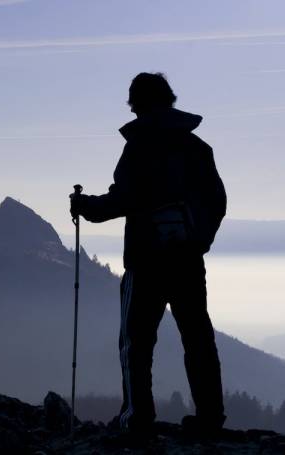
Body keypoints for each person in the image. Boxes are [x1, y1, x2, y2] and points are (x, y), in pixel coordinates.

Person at [70, 72, 227, 436]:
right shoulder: (197, 148)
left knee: (135, 342)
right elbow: (216, 201)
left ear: (137, 104)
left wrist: (84, 205)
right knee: (198, 338)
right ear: (169, 100)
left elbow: (123, 199)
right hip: (188, 261)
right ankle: (210, 418)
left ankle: (138, 418)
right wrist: (197, 239)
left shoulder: (139, 147)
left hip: (145, 262)